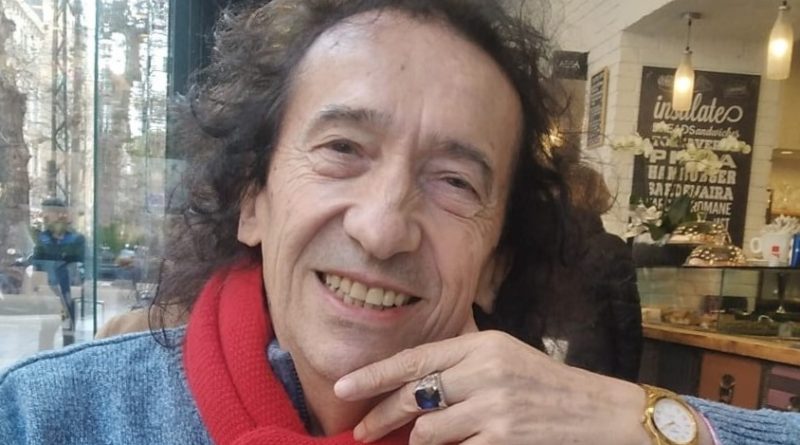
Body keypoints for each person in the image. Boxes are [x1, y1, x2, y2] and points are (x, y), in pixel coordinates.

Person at [0, 1, 798, 444]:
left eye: (454, 181)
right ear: (253, 199)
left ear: (497, 258)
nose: (383, 228)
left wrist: (644, 420)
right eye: (343, 148)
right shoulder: (55, 417)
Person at [30, 198, 85, 335]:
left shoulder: (76, 239)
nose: (45, 216)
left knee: (68, 330)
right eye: (44, 212)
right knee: (47, 330)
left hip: (67, 290)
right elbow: (37, 263)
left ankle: (68, 341)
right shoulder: (42, 238)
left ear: (61, 214)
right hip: (48, 291)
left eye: (48, 212)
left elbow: (80, 264)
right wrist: (36, 288)